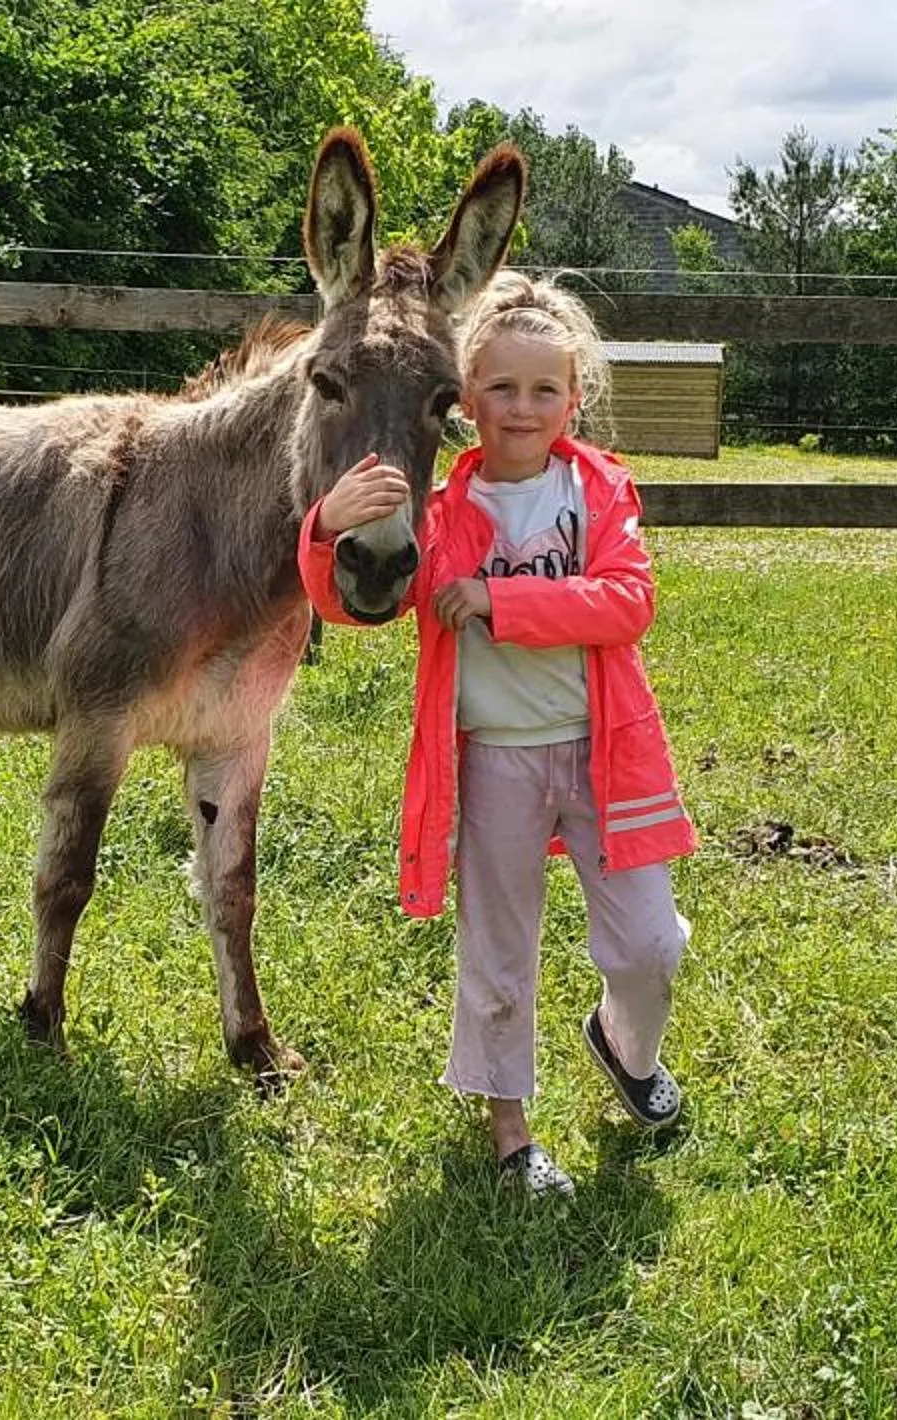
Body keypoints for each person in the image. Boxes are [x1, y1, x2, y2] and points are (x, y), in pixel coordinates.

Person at [297, 271, 697, 1200]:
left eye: (544, 390)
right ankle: (510, 1130)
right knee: (499, 947)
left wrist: (498, 600)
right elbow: (356, 608)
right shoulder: (441, 512)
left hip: (606, 751)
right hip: (495, 758)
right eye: (502, 390)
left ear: (574, 397)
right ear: (466, 399)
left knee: (650, 945)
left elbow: (628, 602)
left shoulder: (599, 491)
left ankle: (624, 1047)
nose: (522, 409)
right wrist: (327, 530)